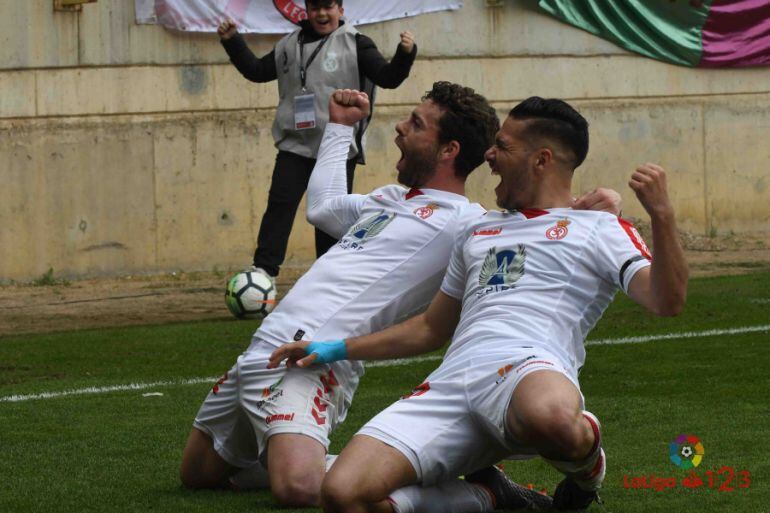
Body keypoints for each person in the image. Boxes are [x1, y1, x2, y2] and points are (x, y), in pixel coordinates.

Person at [180, 83, 620, 508]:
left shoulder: (465, 223)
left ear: (448, 150)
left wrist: (588, 207)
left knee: (298, 488)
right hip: (263, 349)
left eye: (416, 124)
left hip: (313, 359)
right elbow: (322, 207)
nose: (400, 129)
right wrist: (338, 129)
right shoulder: (390, 199)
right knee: (198, 476)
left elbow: (532, 227)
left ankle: (481, 493)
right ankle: (296, 454)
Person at [269, 96, 689, 512]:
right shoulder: (478, 229)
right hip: (451, 384)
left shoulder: (600, 228)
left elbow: (666, 300)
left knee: (551, 417)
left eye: (503, 146)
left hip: (528, 368)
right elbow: (431, 328)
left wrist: (662, 215)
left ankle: (586, 469)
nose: (489, 154)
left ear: (541, 160)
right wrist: (334, 348)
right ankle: (487, 496)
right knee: (342, 494)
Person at [218, 0, 417, 288]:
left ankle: (327, 279)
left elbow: (388, 78)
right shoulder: (289, 44)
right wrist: (233, 42)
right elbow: (257, 71)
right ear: (306, 11)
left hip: (336, 149)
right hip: (294, 146)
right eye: (315, 8)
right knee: (279, 207)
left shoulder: (356, 43)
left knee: (329, 218)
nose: (321, 14)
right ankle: (263, 273)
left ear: (340, 10)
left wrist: (405, 54)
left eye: (328, 7)